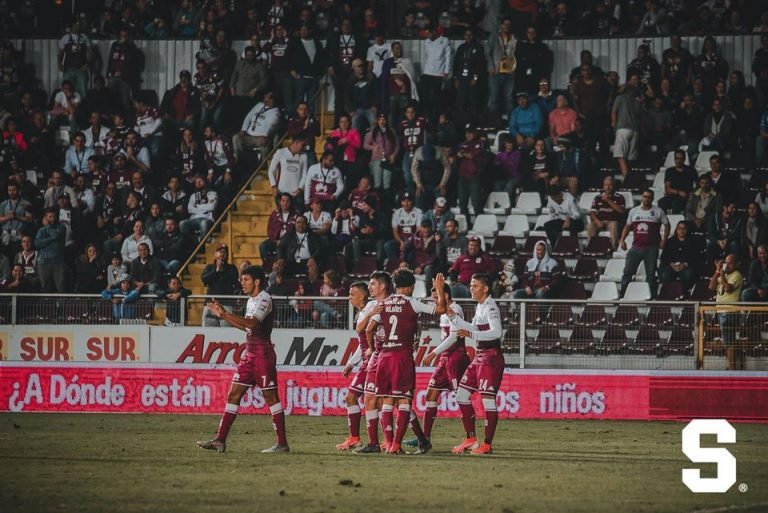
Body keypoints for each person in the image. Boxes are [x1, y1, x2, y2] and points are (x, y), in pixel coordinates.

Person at [197, 265, 289, 453]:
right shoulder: (251, 301)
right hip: (249, 354)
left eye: (245, 279)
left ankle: (282, 443)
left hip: (263, 354)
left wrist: (225, 315)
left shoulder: (264, 299)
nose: (242, 282)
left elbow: (252, 323)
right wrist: (224, 315)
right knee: (233, 395)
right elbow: (247, 328)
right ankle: (220, 440)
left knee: (271, 397)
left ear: (256, 281)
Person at [365, 269, 447, 454]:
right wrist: (439, 290)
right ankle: (395, 444)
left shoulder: (384, 303)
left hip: (384, 357)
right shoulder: (412, 303)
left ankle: (388, 444)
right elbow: (441, 309)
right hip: (402, 357)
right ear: (411, 286)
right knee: (404, 401)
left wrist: (372, 348)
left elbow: (369, 329)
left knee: (387, 400)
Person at [447, 272, 504, 455]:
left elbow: (497, 333)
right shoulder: (480, 306)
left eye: (475, 286)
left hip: (491, 357)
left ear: (485, 288)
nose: (471, 289)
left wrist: (471, 334)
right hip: (479, 356)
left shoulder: (491, 307)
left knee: (488, 401)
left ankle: (487, 444)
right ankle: (471, 439)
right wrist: (453, 317)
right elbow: (472, 328)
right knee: (461, 395)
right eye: (471, 286)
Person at [417, 285, 469, 448]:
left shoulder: (455, 309)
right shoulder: (443, 311)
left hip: (456, 357)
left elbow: (454, 337)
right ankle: (425, 439)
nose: (434, 302)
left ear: (445, 295)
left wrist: (434, 352)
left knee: (461, 397)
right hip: (445, 358)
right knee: (431, 394)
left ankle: (471, 438)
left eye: (436, 298)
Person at [352, 271, 393, 454]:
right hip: (375, 357)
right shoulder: (372, 305)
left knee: (393, 401)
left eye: (373, 284)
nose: (370, 288)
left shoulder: (392, 303)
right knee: (370, 399)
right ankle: (374, 443)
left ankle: (393, 441)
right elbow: (360, 329)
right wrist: (371, 314)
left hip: (389, 356)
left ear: (382, 286)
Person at [336, 280, 379, 451]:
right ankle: (355, 438)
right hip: (366, 362)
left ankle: (380, 440)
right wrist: (351, 363)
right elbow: (364, 345)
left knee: (381, 402)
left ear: (362, 296)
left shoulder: (370, 307)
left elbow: (365, 336)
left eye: (352, 294)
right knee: (353, 398)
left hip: (373, 362)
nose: (349, 297)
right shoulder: (361, 312)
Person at [619, 189, 670, 299]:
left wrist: (664, 239)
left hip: (651, 248)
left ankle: (652, 296)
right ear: (642, 197)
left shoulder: (658, 211)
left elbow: (667, 225)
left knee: (651, 274)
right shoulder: (634, 211)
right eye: (645, 197)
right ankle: (622, 294)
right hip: (636, 247)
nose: (646, 199)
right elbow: (627, 226)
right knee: (627, 272)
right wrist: (622, 239)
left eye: (649, 197)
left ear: (652, 199)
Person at [708, 254, 743, 371]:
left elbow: (728, 289)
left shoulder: (737, 275)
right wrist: (717, 272)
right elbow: (711, 287)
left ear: (737, 264)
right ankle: (730, 366)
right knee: (727, 341)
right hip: (721, 311)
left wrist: (722, 275)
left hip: (729, 311)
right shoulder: (723, 275)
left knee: (730, 342)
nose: (727, 265)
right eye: (726, 263)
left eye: (730, 263)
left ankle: (732, 368)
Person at [201, 243, 240, 327]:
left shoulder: (232, 268)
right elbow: (204, 280)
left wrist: (222, 269)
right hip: (211, 304)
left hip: (227, 304)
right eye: (220, 251)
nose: (222, 254)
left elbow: (234, 282)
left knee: (226, 333)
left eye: (224, 252)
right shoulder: (209, 267)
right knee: (208, 332)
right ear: (215, 254)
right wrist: (216, 270)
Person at [268, 134, 308, 210]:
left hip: (295, 194)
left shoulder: (304, 156)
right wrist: (273, 186)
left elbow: (304, 175)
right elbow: (271, 171)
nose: (303, 148)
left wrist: (300, 188)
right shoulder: (280, 152)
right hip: (281, 192)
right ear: (296, 142)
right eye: (302, 145)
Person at [587, 176, 626, 250]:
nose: (608, 187)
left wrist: (608, 200)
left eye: (610, 185)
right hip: (600, 221)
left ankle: (613, 248)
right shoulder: (597, 197)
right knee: (590, 226)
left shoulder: (619, 197)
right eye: (606, 185)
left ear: (614, 186)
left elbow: (621, 211)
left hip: (613, 221)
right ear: (603, 186)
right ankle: (592, 248)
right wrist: (597, 221)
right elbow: (592, 213)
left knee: (614, 224)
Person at [659, 221, 698, 291]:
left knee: (688, 274)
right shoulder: (670, 241)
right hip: (672, 266)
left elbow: (695, 257)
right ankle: (669, 293)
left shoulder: (693, 241)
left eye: (684, 228)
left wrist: (685, 265)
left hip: (686, 266)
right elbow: (664, 256)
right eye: (680, 228)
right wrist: (672, 265)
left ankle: (684, 293)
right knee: (665, 274)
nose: (682, 231)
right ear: (676, 230)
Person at [35, 208, 67, 293]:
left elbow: (56, 236)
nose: (52, 218)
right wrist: (51, 239)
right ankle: (46, 306)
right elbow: (37, 244)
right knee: (45, 287)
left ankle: (61, 306)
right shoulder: (41, 230)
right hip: (44, 262)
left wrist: (48, 227)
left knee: (60, 288)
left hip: (58, 262)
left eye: (54, 216)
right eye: (50, 216)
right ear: (45, 217)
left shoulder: (62, 227)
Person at [659, 149, 698, 214]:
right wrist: (678, 192)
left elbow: (698, 185)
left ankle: (676, 222)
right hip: (673, 195)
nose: (679, 161)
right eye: (677, 158)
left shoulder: (691, 170)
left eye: (681, 158)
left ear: (684, 159)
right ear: (674, 159)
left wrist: (692, 194)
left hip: (687, 196)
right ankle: (664, 221)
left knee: (676, 204)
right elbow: (667, 189)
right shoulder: (669, 171)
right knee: (661, 202)